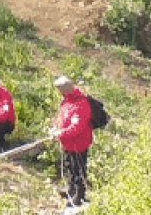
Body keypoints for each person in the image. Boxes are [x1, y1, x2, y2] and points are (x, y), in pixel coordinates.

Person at [49, 75, 93, 210]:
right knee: (69, 165)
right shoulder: (66, 102)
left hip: (79, 143)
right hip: (68, 142)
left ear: (67, 89)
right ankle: (70, 189)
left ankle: (79, 195)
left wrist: (61, 133)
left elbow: (77, 127)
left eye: (61, 90)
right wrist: (54, 127)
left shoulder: (81, 104)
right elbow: (60, 117)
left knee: (78, 168)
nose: (60, 93)